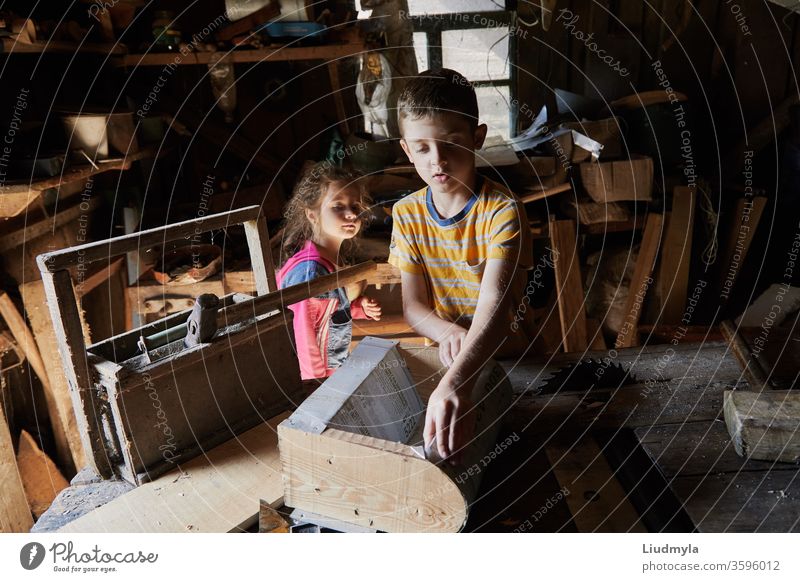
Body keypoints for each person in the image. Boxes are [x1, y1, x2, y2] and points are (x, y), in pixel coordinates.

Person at [388, 68, 535, 462]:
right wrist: (446, 331)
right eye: (422, 148)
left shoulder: (502, 212)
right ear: (406, 150)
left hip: (510, 361)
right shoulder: (406, 214)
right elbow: (413, 307)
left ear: (477, 137)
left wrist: (457, 382)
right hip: (448, 359)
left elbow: (494, 310)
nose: (437, 160)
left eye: (451, 142)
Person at [278, 163, 382, 381]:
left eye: (355, 206)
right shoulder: (310, 272)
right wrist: (315, 382)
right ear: (312, 215)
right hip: (311, 376)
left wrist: (355, 308)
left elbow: (325, 314)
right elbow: (303, 332)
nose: (351, 214)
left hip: (329, 371)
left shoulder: (327, 263)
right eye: (338, 206)